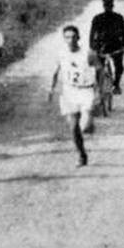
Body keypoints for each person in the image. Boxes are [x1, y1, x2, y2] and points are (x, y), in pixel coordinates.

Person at [48, 25, 99, 166]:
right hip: (69, 91)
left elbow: (99, 70)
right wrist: (51, 89)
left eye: (73, 37)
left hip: (86, 90)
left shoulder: (88, 53)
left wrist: (99, 90)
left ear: (79, 37)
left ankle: (89, 121)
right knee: (74, 128)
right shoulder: (61, 53)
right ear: (64, 39)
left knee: (85, 126)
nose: (70, 40)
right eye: (67, 37)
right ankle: (82, 155)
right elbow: (54, 71)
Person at [89, 0, 124, 94]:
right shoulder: (97, 18)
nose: (108, 8)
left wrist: (123, 46)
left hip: (115, 46)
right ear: (104, 6)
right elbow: (92, 34)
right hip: (102, 47)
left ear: (112, 6)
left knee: (119, 67)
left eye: (109, 6)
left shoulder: (119, 18)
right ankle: (99, 87)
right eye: (106, 6)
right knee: (98, 68)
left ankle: (116, 84)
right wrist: (92, 47)